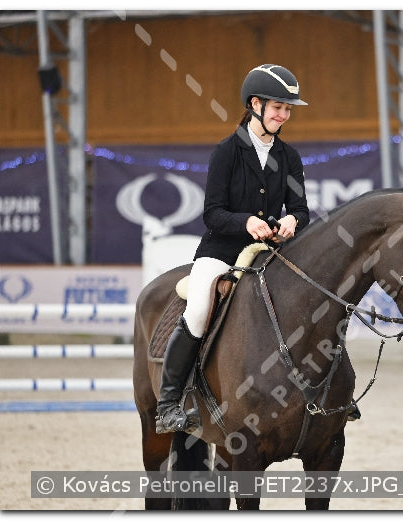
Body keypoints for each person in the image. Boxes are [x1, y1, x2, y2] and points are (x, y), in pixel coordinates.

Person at [155, 64, 311, 434]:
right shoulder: (226, 152)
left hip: (267, 250)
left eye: (288, 110)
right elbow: (212, 214)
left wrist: (293, 222)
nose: (283, 115)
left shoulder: (289, 157)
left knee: (309, 296)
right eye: (278, 107)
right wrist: (245, 222)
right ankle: (168, 403)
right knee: (199, 307)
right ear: (255, 104)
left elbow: (301, 208)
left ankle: (327, 392)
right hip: (222, 249)